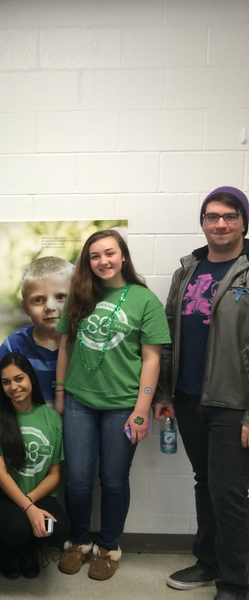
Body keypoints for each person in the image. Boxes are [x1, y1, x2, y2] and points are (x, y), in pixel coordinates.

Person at [54, 229, 170, 580]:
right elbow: (64, 347)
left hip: (124, 405)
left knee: (115, 480)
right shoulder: (80, 295)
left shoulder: (144, 300)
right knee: (76, 480)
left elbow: (152, 359)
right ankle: (77, 543)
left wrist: (142, 409)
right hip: (78, 402)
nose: (103, 261)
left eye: (110, 253)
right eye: (94, 256)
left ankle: (107, 548)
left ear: (123, 257)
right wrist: (60, 394)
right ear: (87, 262)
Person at [155, 186, 249, 600]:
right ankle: (208, 562)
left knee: (230, 494)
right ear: (203, 223)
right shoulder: (187, 271)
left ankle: (236, 582)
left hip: (233, 403)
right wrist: (164, 393)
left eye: (229, 216)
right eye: (212, 216)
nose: (221, 224)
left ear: (244, 222)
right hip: (189, 398)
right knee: (204, 483)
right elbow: (168, 336)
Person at [0, 352, 69, 579]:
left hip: (39, 496)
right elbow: (0, 473)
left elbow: (55, 474)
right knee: (16, 527)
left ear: (31, 378)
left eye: (19, 379)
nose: (13, 387)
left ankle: (32, 550)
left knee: (55, 530)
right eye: (6, 382)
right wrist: (28, 509)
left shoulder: (52, 418)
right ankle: (8, 550)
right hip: (5, 497)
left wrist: (31, 503)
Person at [0, 257, 73, 401]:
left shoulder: (85, 340)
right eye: (38, 300)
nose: (50, 307)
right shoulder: (14, 343)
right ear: (25, 308)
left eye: (60, 297)